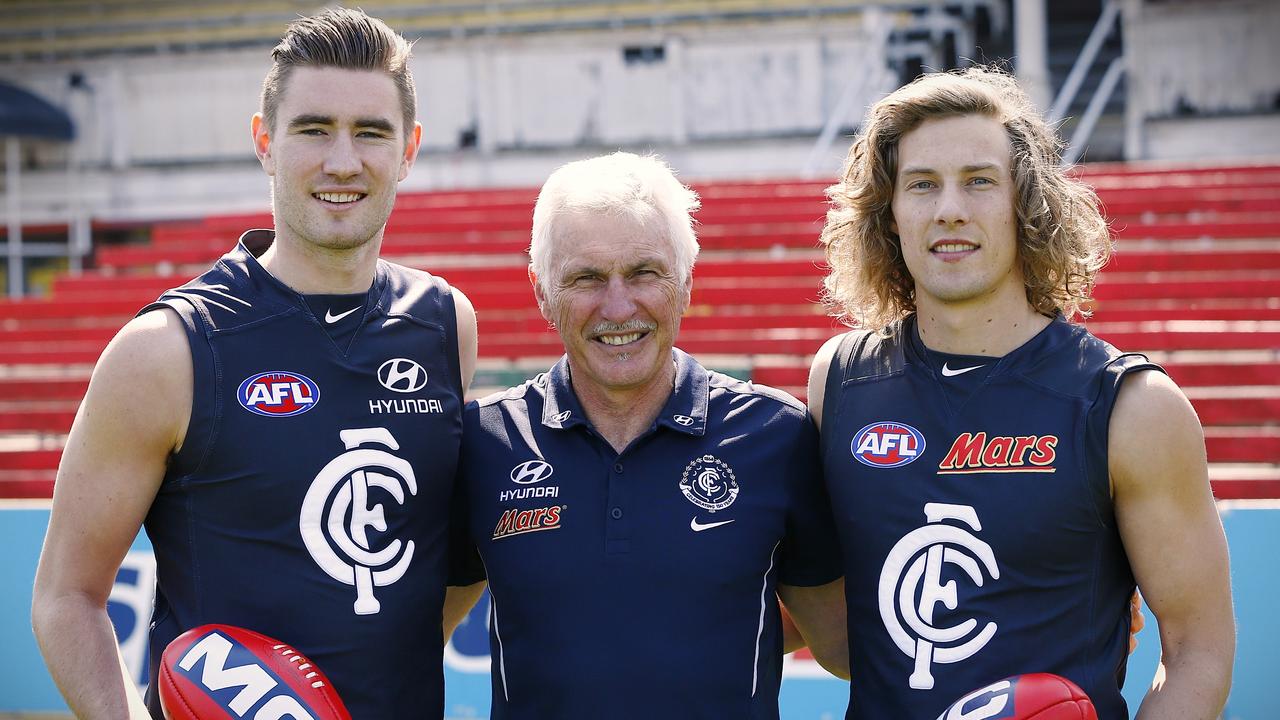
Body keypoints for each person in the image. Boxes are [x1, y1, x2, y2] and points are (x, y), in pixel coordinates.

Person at [31, 8, 478, 718]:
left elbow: (444, 560)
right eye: (312, 129)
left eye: (371, 132)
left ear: (409, 148)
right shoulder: (169, 349)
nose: (342, 160)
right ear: (264, 142)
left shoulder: (446, 324)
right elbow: (66, 595)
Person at [807, 67, 1235, 718]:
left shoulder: (1130, 406)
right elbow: (845, 642)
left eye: (979, 181)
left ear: (1025, 203)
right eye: (922, 185)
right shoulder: (838, 381)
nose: (949, 208)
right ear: (890, 214)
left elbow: (1199, 647)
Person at [451, 151, 849, 719]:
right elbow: (408, 645)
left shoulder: (777, 437)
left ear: (685, 282)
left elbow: (841, 647)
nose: (619, 306)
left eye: (644, 272)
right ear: (541, 291)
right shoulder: (485, 443)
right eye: (587, 278)